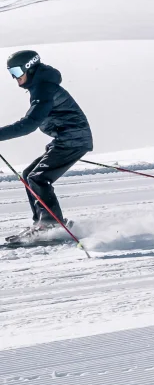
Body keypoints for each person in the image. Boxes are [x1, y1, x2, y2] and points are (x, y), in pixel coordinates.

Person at [0, 51, 93, 242]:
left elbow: (29, 124)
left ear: (29, 67)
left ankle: (50, 223)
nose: (14, 77)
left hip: (73, 140)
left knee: (38, 178)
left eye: (16, 71)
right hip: (67, 139)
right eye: (10, 72)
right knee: (29, 174)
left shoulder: (43, 89)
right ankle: (42, 222)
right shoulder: (40, 86)